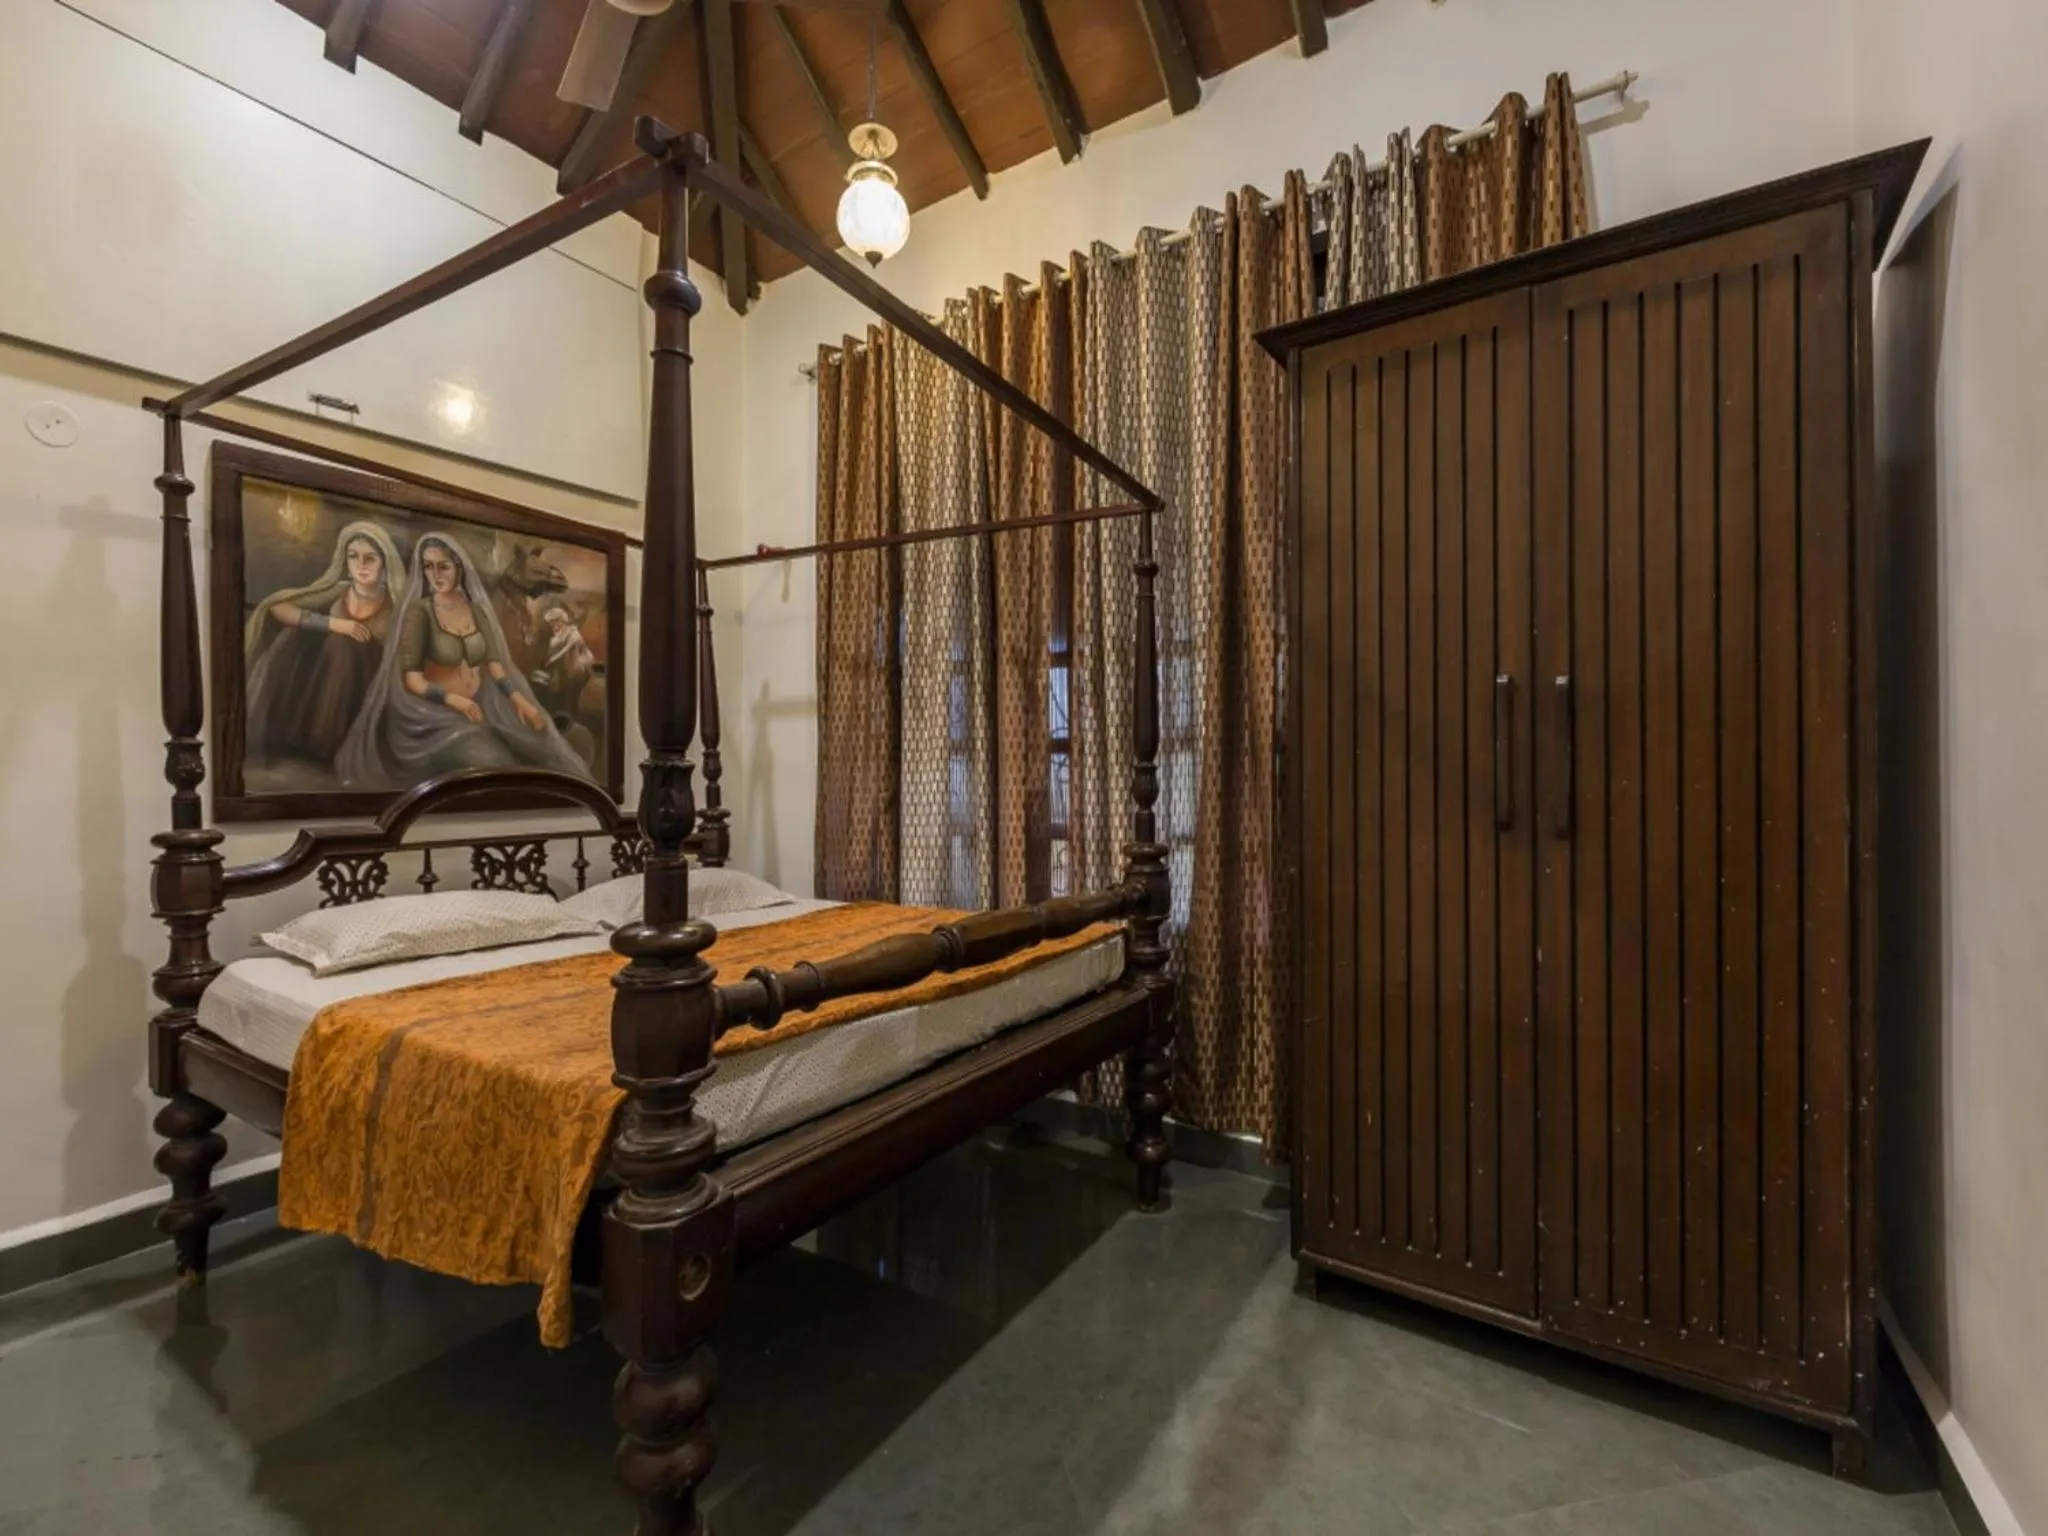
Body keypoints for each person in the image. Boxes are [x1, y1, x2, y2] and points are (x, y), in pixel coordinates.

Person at [337, 531, 593, 787]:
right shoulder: (419, 613)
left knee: (543, 746)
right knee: (498, 765)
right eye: (428, 567)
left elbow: (495, 665)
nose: (435, 575)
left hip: (481, 707)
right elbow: (412, 680)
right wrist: (452, 699)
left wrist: (521, 703)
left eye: (443, 566)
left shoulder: (477, 610)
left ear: (459, 568)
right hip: (432, 718)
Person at [244, 520, 405, 770]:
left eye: (370, 559)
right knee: (302, 638)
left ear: (384, 563)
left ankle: (329, 743)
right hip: (330, 678)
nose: (361, 566)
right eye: (353, 557)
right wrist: (335, 624)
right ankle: (303, 738)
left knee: (345, 646)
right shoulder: (338, 591)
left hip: (373, 686)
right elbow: (276, 607)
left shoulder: (396, 604)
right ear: (345, 562)